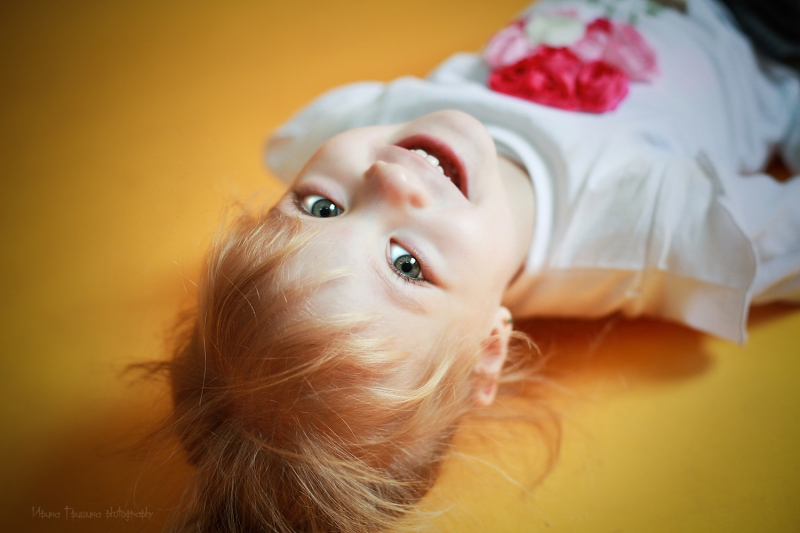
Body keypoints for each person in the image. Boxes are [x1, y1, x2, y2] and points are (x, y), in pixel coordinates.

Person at [159, 0, 800, 531]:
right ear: (488, 352)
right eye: (406, 265)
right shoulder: (651, 228)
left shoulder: (359, 125)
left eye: (321, 207)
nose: (386, 178)